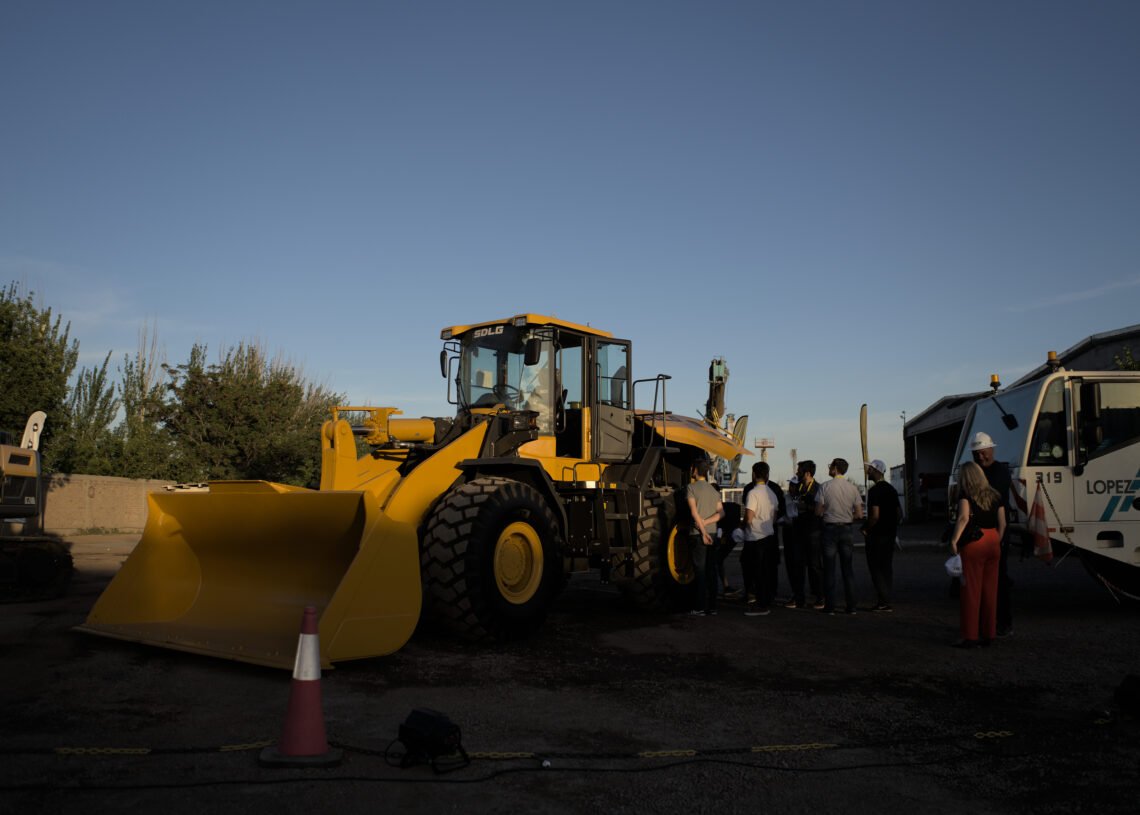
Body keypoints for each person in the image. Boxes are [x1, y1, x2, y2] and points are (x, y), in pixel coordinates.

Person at [947, 460, 1006, 648]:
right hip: (993, 539)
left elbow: (963, 518)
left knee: (971, 591)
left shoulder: (966, 495)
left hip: (975, 543)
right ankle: (989, 633)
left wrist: (954, 540)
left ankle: (970, 636)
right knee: (990, 591)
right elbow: (1003, 523)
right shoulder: (995, 495)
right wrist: (996, 539)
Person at [970, 432, 1014, 636]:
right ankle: (985, 623)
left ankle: (1002, 622)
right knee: (981, 582)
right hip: (982, 533)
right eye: (976, 454)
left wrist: (999, 536)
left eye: (983, 452)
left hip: (995, 532)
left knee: (999, 580)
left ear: (991, 449)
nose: (980, 457)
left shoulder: (1000, 472)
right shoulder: (978, 470)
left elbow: (996, 504)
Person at [815, 458, 864, 614]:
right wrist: (847, 516)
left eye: (830, 466)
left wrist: (827, 513)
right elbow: (859, 514)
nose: (829, 468)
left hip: (829, 529)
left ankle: (830, 606)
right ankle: (851, 606)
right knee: (847, 569)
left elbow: (818, 511)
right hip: (847, 529)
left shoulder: (825, 486)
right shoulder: (852, 488)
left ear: (835, 468)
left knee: (829, 569)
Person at [685, 458, 724, 616]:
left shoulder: (691, 488)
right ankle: (712, 607)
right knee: (711, 570)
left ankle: (700, 607)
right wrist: (707, 525)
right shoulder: (713, 491)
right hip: (713, 533)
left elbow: (694, 512)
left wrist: (703, 531)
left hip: (698, 535)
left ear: (695, 470)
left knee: (699, 571)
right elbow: (721, 513)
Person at [861, 458, 900, 611]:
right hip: (889, 534)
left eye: (870, 469)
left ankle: (883, 601)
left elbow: (875, 516)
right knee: (886, 567)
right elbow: (899, 514)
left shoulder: (874, 491)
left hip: (876, 536)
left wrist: (865, 528)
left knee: (876, 568)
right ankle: (886, 599)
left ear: (876, 471)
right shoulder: (891, 490)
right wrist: (892, 526)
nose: (867, 471)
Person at [741, 461, 778, 616]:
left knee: (756, 573)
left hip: (755, 538)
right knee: (765, 572)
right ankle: (765, 602)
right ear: (767, 475)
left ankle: (760, 605)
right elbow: (774, 518)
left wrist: (740, 527)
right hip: (769, 537)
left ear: (753, 474)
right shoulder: (772, 493)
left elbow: (749, 517)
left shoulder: (753, 493)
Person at [786, 460, 824, 609]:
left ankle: (819, 596)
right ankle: (798, 597)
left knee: (814, 565)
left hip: (813, 532)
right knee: (797, 565)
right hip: (798, 531)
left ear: (807, 473)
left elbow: (821, 509)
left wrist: (806, 507)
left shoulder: (818, 488)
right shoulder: (798, 487)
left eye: (799, 471)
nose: (797, 473)